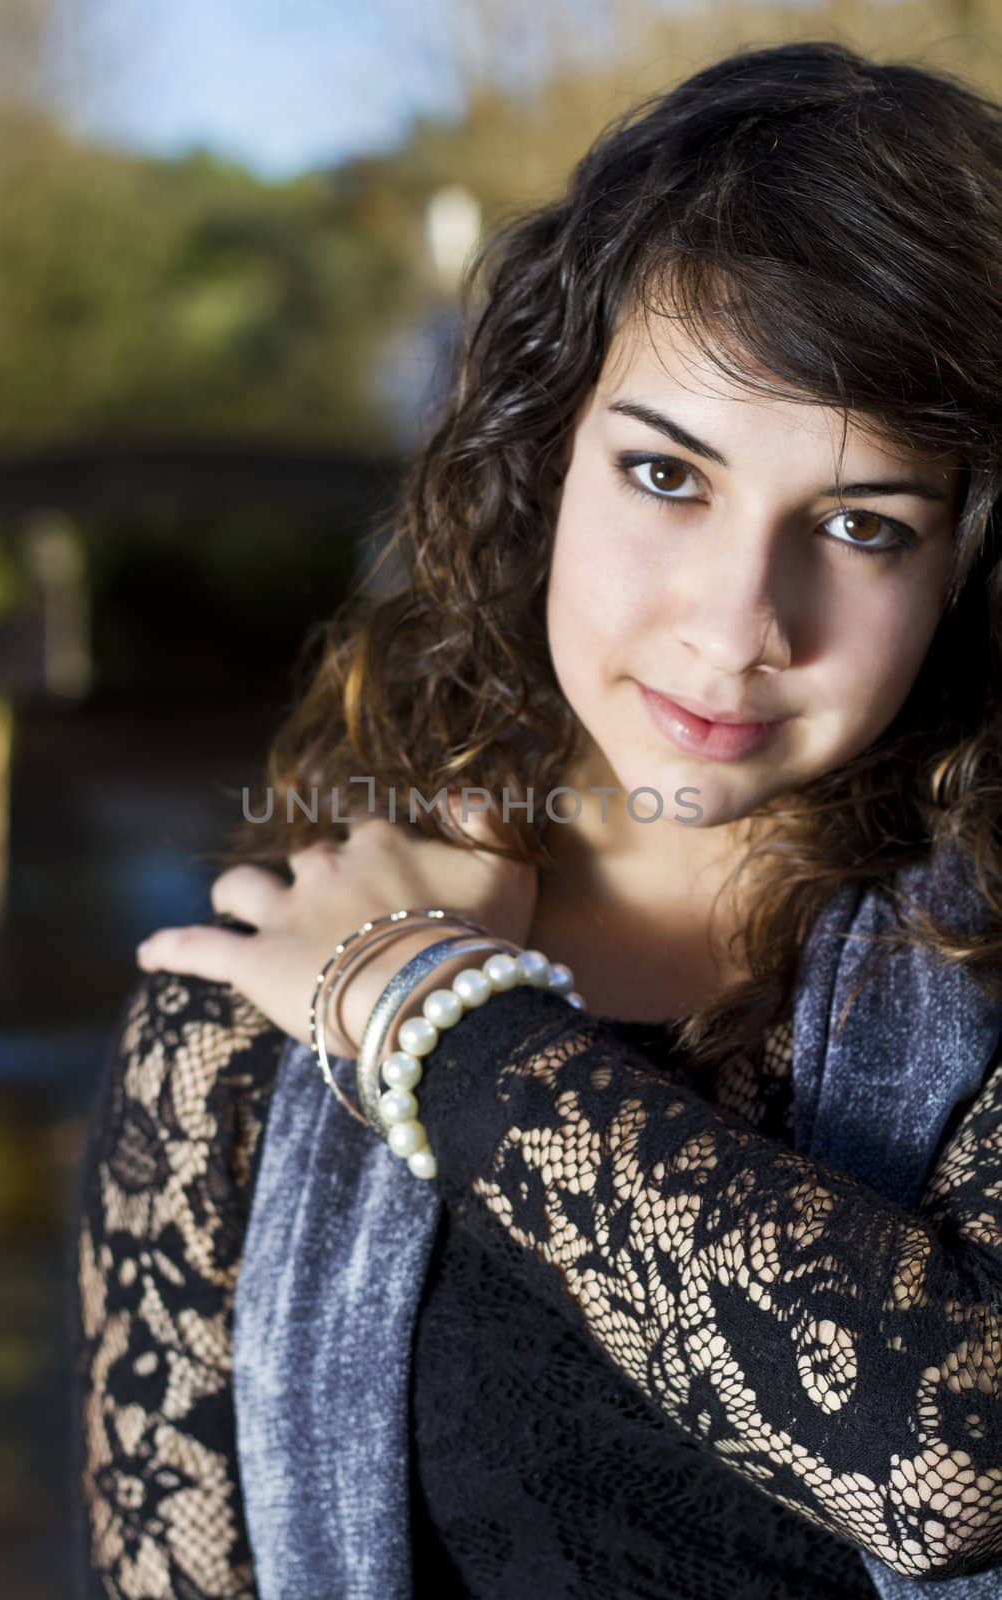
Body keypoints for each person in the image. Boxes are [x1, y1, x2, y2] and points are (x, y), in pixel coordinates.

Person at [71, 37, 1002, 1600]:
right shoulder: (244, 1004)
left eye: (859, 524)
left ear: (965, 569)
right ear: (545, 455)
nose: (737, 625)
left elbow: (952, 1462)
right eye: (665, 475)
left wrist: (426, 1011)